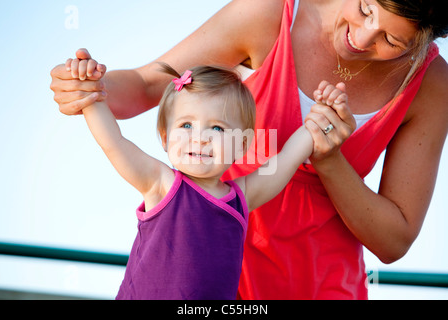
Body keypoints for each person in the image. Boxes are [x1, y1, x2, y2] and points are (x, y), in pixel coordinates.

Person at [50, 0, 448, 299]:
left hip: (325, 288)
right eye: (364, 7)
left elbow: (393, 240)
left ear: (428, 36)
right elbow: (152, 83)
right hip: (224, 289)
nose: (361, 38)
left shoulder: (432, 85)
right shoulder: (270, 13)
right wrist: (88, 90)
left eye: (393, 40)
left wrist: (328, 158)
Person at [65, 59, 323, 299]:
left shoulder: (240, 198)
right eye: (186, 125)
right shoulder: (161, 183)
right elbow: (113, 141)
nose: (200, 137)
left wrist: (318, 124)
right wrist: (90, 95)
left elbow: (285, 160)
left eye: (217, 128)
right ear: (165, 137)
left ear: (241, 146)